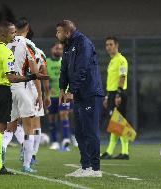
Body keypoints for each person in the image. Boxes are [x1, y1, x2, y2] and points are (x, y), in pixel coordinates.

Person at [0, 21, 48, 175]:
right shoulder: (14, 49)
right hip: (9, 90)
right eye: (12, 33)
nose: (14, 35)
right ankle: (10, 165)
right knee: (14, 128)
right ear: (3, 34)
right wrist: (33, 79)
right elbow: (13, 77)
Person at [56, 20, 104, 177]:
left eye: (59, 32)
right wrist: (62, 89)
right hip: (79, 94)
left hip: (90, 92)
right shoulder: (68, 45)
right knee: (79, 131)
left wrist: (72, 90)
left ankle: (95, 169)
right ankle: (85, 167)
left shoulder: (83, 42)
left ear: (67, 32)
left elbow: (82, 68)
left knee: (90, 130)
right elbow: (64, 68)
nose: (57, 34)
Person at [3, 17, 46, 173]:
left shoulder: (5, 44)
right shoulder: (29, 44)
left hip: (6, 88)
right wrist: (40, 96)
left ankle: (1, 153)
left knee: (9, 127)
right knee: (29, 127)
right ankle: (27, 164)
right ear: (27, 28)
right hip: (21, 87)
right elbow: (35, 73)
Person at [100, 36, 129, 160]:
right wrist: (107, 96)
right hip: (111, 94)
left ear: (116, 45)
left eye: (111, 44)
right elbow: (111, 80)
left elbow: (122, 77)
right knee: (116, 123)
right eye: (107, 45)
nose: (108, 47)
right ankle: (113, 151)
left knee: (118, 123)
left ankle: (124, 152)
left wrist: (118, 94)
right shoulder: (112, 61)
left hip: (118, 94)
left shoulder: (121, 60)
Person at [46, 42, 72, 151]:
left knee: (64, 114)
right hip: (51, 95)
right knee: (52, 118)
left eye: (60, 49)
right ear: (52, 50)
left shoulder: (65, 62)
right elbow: (44, 79)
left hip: (63, 94)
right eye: (56, 48)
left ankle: (66, 139)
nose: (58, 50)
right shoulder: (47, 62)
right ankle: (55, 141)